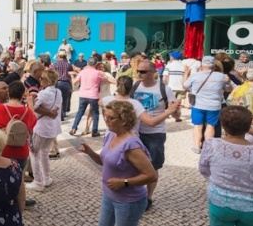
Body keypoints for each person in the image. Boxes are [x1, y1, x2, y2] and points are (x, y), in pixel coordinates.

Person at [80, 101, 158, 226]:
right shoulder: (111, 135)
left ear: (124, 121)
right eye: (106, 116)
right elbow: (104, 161)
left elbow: (151, 175)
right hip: (109, 195)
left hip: (129, 201)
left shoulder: (131, 145)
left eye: (111, 118)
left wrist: (124, 183)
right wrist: (90, 152)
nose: (106, 120)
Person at [0, 80, 37, 208]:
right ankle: (20, 203)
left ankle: (1, 202)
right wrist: (30, 104)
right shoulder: (27, 112)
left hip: (4, 150)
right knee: (19, 178)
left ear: (9, 93)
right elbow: (32, 124)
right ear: (22, 95)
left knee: (1, 177)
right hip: (21, 151)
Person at [131, 60, 181, 211]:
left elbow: (175, 113)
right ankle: (136, 195)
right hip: (135, 133)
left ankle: (148, 197)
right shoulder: (134, 86)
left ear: (153, 72)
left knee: (153, 167)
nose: (139, 74)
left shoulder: (164, 89)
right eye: (138, 71)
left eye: (143, 72)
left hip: (155, 134)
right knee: (135, 166)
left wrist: (176, 111)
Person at [199, 106, 253, 225]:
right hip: (251, 207)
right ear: (249, 127)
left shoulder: (211, 144)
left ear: (223, 125)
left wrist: (215, 180)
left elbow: (203, 168)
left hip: (220, 201)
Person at [184, 56, 231, 154]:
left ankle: (197, 146)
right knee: (210, 126)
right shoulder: (221, 76)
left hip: (198, 105)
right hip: (214, 106)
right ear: (213, 65)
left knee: (197, 126)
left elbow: (185, 86)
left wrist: (186, 74)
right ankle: (208, 147)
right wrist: (227, 82)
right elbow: (228, 89)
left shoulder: (195, 76)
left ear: (202, 64)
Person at [25, 70, 62, 191]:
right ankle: (46, 178)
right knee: (44, 153)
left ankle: (38, 181)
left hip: (41, 127)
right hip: (53, 127)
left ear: (49, 81)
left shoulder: (43, 94)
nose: (40, 80)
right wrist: (51, 113)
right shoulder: (58, 92)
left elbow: (33, 108)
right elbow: (55, 109)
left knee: (34, 153)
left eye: (42, 79)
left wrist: (30, 102)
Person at [70, 57, 104, 136]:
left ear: (88, 63)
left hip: (83, 95)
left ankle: (74, 128)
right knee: (95, 113)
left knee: (80, 112)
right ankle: (94, 131)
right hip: (93, 95)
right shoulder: (98, 73)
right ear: (96, 64)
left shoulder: (83, 72)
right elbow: (103, 80)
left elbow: (75, 82)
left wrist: (72, 76)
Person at [52, 50, 74, 121]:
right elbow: (70, 73)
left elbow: (52, 74)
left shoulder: (55, 64)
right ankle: (64, 113)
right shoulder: (68, 64)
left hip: (58, 83)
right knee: (65, 99)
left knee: (58, 99)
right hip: (67, 83)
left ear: (59, 56)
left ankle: (60, 115)